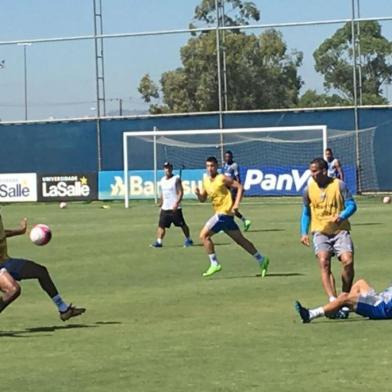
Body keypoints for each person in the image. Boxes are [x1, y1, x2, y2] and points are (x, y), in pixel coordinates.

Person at [0, 215, 85, 321]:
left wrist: (20, 231)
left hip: (5, 261)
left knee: (40, 272)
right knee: (13, 290)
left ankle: (64, 310)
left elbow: (2, 233)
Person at [195, 156, 269, 277]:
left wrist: (236, 204)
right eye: (208, 166)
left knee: (203, 236)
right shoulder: (206, 180)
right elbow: (203, 199)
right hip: (225, 217)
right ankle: (261, 259)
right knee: (241, 241)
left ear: (217, 166)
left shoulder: (222, 178)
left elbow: (240, 187)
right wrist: (198, 194)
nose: (210, 168)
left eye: (212, 166)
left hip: (223, 214)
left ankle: (214, 263)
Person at [300, 157, 357, 310]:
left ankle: (344, 296)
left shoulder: (339, 185)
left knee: (348, 261)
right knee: (324, 261)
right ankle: (333, 300)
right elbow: (306, 212)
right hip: (320, 232)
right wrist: (303, 232)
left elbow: (352, 205)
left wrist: (342, 216)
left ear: (324, 171)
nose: (312, 174)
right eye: (311, 171)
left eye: (315, 171)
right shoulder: (308, 189)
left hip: (340, 230)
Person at [295, 278, 392, 323]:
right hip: (379, 299)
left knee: (345, 298)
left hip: (380, 309)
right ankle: (342, 310)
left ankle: (311, 314)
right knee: (360, 283)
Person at [151, 162, 193, 248]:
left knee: (182, 225)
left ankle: (188, 239)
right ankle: (159, 242)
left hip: (175, 208)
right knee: (161, 225)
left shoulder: (176, 179)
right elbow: (163, 193)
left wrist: (176, 203)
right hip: (165, 208)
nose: (167, 170)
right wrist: (161, 202)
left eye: (169, 168)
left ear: (172, 169)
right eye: (166, 168)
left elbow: (180, 192)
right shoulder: (162, 180)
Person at [222, 150, 252, 231]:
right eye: (226, 157)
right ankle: (245, 221)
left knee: (229, 208)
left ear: (232, 157)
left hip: (233, 189)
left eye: (229, 157)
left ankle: (226, 226)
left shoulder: (234, 165)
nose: (227, 158)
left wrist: (238, 189)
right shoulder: (224, 165)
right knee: (232, 209)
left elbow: (238, 178)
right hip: (227, 189)